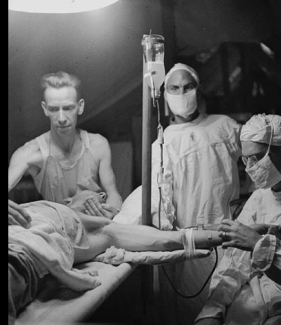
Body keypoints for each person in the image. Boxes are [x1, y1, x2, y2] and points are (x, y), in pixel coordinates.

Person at [8, 189, 225, 324]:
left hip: (25, 252)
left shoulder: (99, 230)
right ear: (68, 198)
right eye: (97, 193)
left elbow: (168, 239)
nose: (101, 200)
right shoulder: (32, 205)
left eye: (104, 200)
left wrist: (221, 236)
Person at [195, 114, 281, 325]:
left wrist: (261, 246)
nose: (250, 167)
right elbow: (234, 262)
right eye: (246, 159)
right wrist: (213, 309)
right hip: (252, 303)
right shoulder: (260, 197)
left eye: (257, 158)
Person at [8, 71, 122, 227]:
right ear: (45, 109)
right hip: (59, 229)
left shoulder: (98, 144)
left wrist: (112, 212)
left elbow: (112, 193)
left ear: (80, 106)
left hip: (97, 225)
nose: (61, 118)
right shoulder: (30, 152)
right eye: (54, 109)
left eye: (68, 108)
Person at [151, 63, 241, 230]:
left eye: (188, 87)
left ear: (198, 91)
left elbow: (258, 160)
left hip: (230, 230)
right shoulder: (163, 144)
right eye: (174, 88)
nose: (181, 93)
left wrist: (250, 200)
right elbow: (161, 200)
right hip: (190, 236)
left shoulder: (224, 126)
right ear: (166, 95)